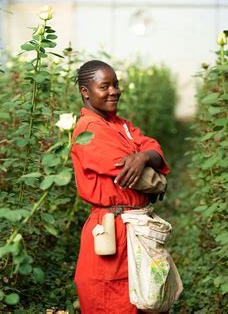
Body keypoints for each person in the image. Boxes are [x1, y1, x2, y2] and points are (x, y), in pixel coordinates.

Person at [70, 60, 170, 313]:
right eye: (104, 86)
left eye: (116, 84)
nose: (114, 91)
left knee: (147, 296)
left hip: (133, 226)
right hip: (112, 229)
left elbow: (154, 148)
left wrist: (144, 156)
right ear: (86, 92)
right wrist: (143, 157)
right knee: (113, 299)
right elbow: (140, 175)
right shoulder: (89, 130)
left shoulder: (119, 124)